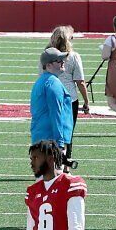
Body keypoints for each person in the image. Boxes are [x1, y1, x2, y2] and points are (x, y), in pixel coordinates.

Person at [47, 27, 90, 165]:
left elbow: (42, 77)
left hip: (51, 97)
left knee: (51, 130)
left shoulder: (46, 55)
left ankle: (51, 163)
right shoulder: (73, 56)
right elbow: (80, 82)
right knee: (67, 133)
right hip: (69, 99)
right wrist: (86, 101)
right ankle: (65, 165)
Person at [29, 48, 74, 156]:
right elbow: (56, 114)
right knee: (54, 172)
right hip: (50, 139)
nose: (63, 62)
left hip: (41, 135)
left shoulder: (42, 81)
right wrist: (60, 143)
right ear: (48, 65)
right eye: (58, 61)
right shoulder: (53, 83)